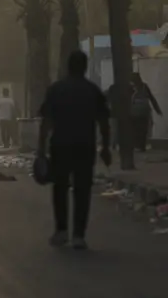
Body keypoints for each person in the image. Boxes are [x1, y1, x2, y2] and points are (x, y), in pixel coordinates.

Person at [37, 50, 111, 250]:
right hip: (84, 146)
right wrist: (106, 147)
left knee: (60, 188)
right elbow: (103, 121)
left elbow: (46, 122)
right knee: (82, 189)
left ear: (67, 67)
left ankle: (61, 231)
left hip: (60, 146)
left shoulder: (55, 90)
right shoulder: (92, 90)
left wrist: (40, 150)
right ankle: (79, 235)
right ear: (85, 67)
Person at [130, 72, 162, 152]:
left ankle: (137, 145)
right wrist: (157, 109)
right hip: (144, 111)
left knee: (136, 129)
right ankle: (141, 146)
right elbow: (151, 98)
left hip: (135, 112)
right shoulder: (144, 86)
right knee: (143, 129)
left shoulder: (132, 87)